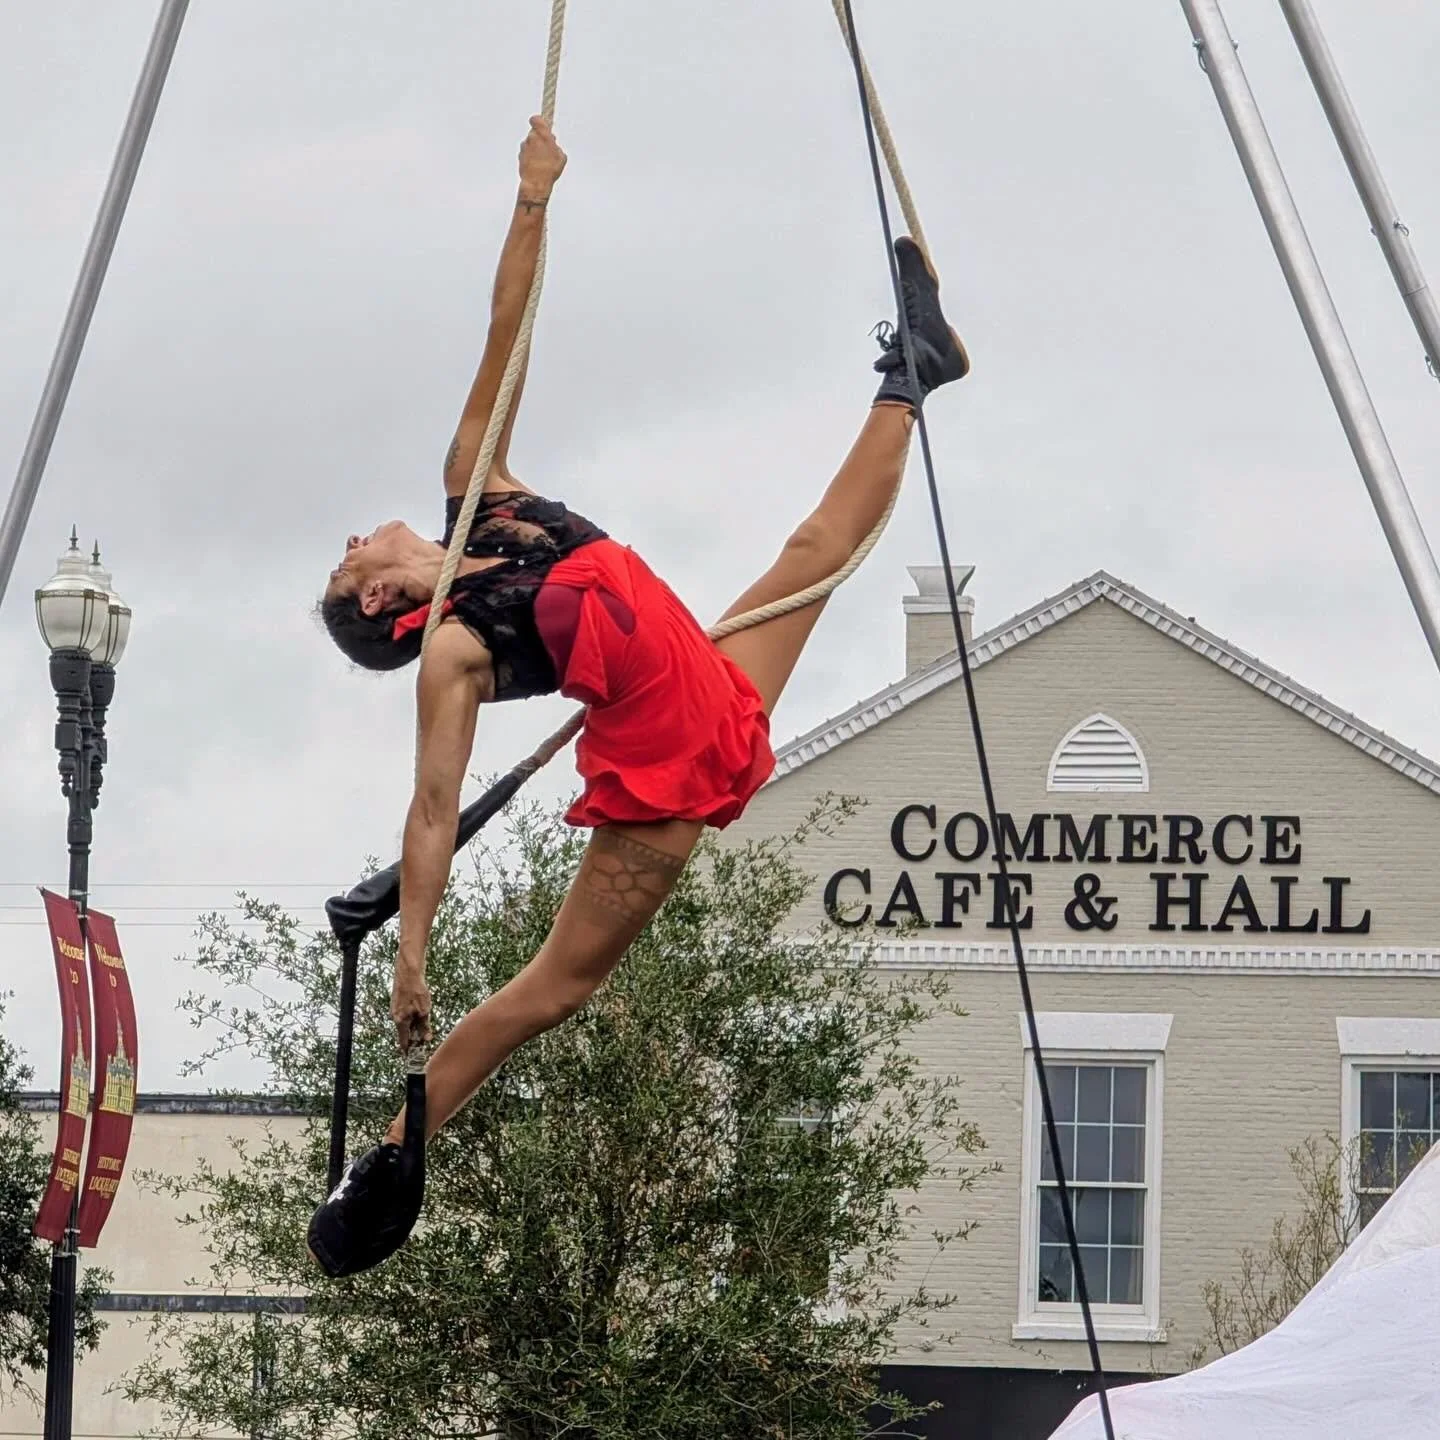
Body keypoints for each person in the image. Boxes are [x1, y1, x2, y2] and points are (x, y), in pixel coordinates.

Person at [319, 115, 968, 1164]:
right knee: (553, 988)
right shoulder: (449, 650)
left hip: (706, 680)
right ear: (389, 608)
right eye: (348, 568)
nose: (354, 540)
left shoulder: (478, 492)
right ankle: (397, 1150)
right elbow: (432, 810)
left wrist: (532, 196)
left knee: (814, 545)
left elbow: (507, 328)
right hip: (657, 773)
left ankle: (917, 368)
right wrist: (413, 957)